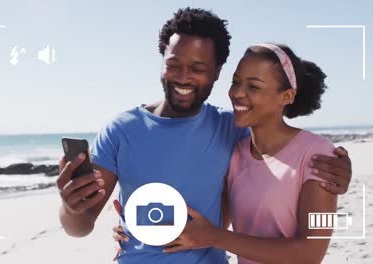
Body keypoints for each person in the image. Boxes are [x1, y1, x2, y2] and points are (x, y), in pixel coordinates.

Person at [56, 8, 352, 264]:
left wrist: (339, 165)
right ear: (162, 61)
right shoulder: (122, 131)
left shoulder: (235, 129)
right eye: (174, 65)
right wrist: (71, 208)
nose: (183, 77)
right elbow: (80, 225)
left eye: (198, 68)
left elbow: (312, 249)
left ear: (216, 71)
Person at [155, 43, 342, 263]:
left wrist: (216, 237)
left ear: (287, 96)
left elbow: (310, 254)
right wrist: (133, 228)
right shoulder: (234, 156)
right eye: (236, 82)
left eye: (253, 87)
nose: (237, 93)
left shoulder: (319, 155)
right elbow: (204, 224)